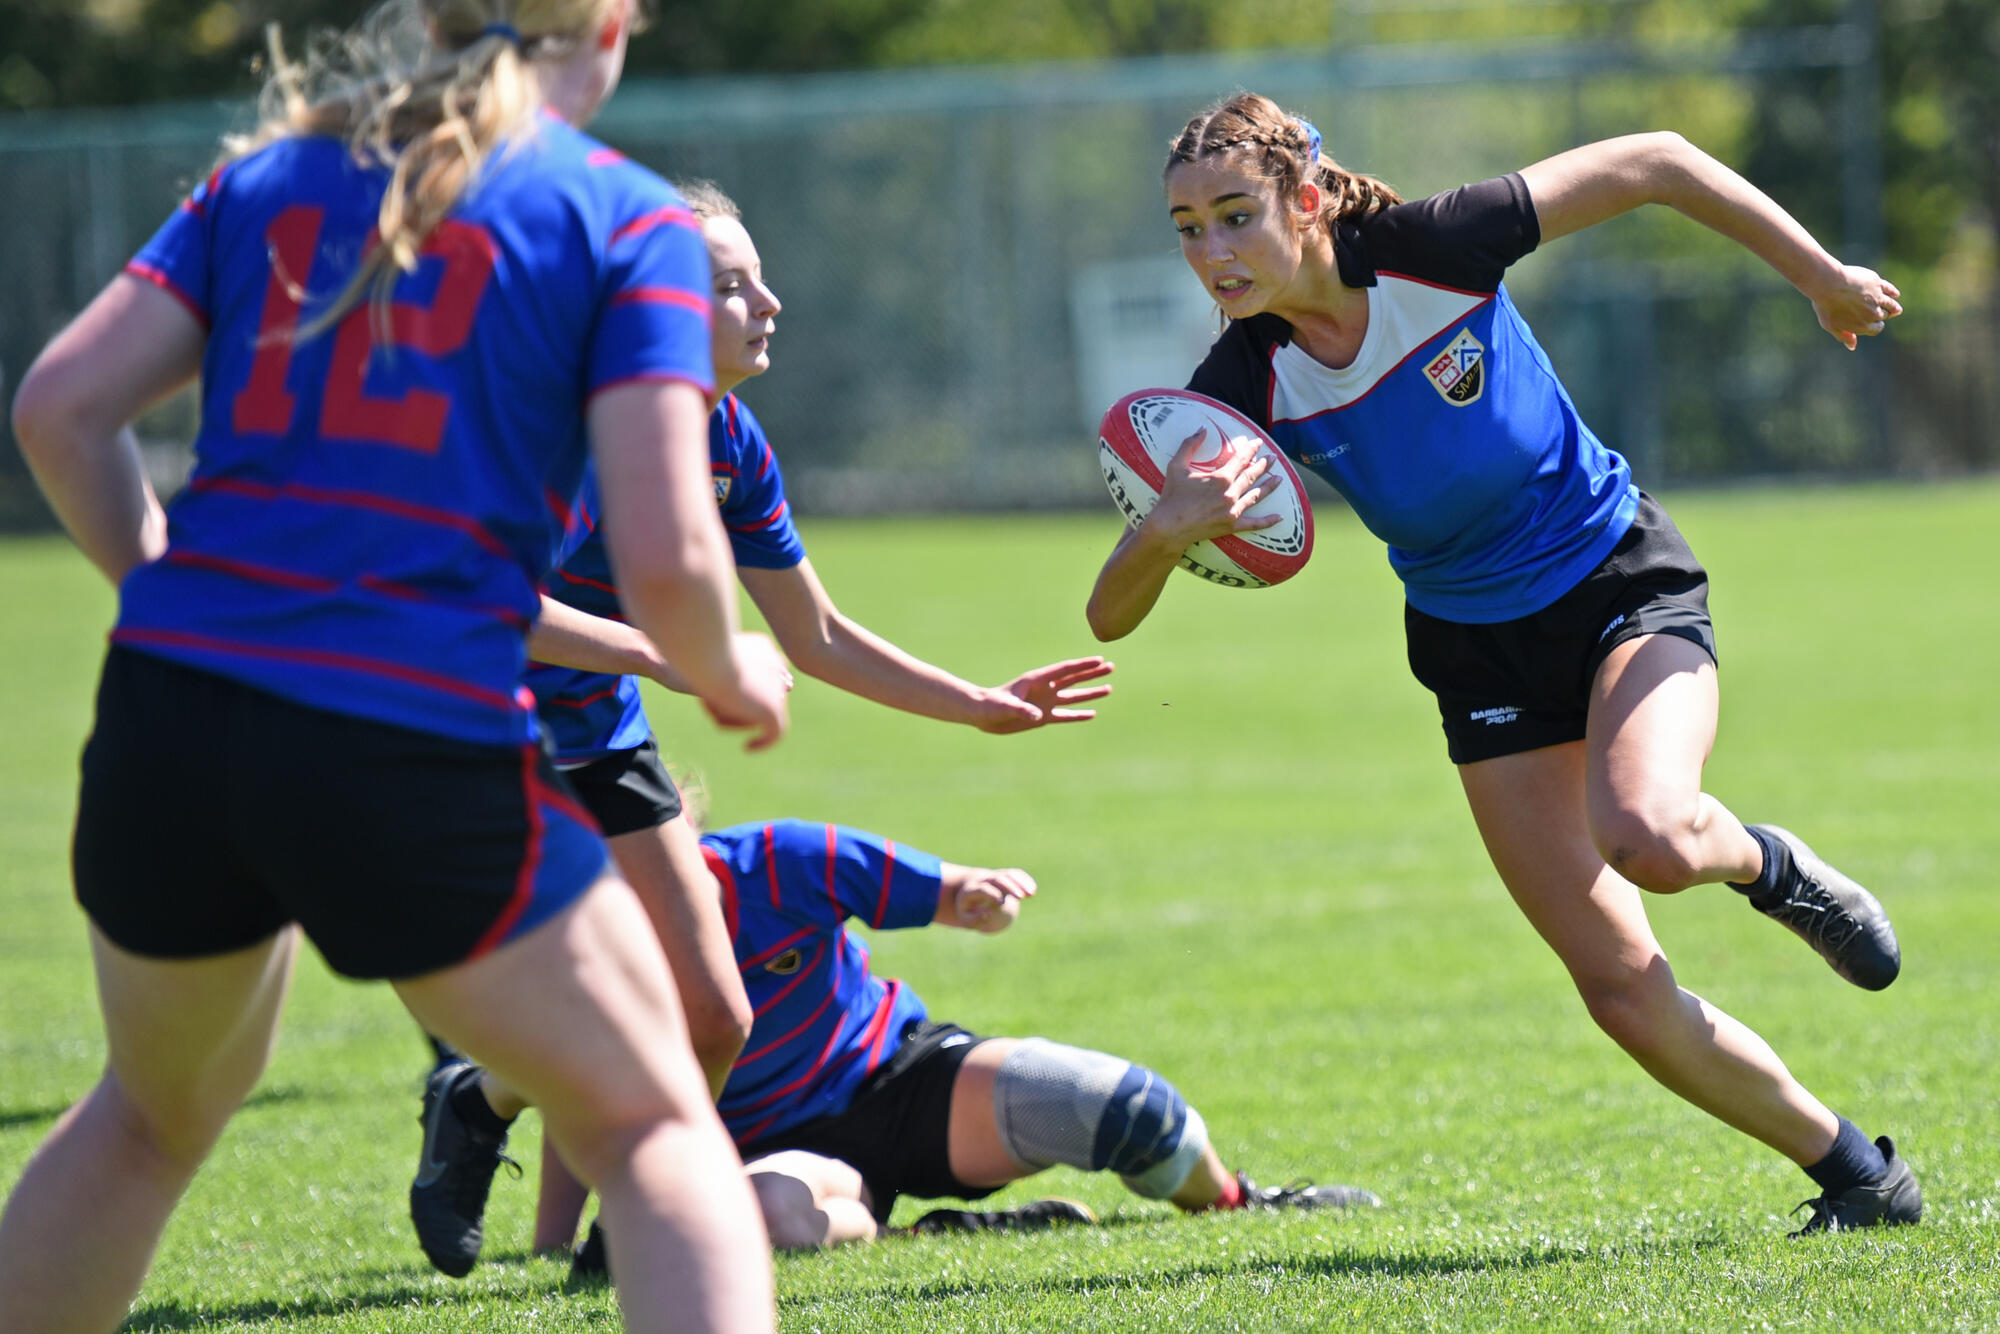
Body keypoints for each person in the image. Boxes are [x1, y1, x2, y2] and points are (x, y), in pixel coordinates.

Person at [0, 3, 790, 1330]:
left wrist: (174, 599)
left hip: (168, 716)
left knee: (146, 1121)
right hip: (401, 725)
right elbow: (663, 552)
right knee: (657, 1128)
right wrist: (728, 663)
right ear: (605, 28)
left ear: (427, 18)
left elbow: (58, 411)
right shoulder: (626, 215)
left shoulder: (270, 171)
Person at [1086, 92, 1919, 1236]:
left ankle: (1770, 865)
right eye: (1187, 229)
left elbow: (1655, 160)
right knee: (1618, 985)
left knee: (1650, 835)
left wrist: (1818, 274)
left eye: (1234, 216)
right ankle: (1856, 1173)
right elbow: (1107, 615)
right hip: (1473, 646)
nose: (1209, 252)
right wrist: (1165, 527)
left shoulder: (1434, 246)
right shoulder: (1239, 385)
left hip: (1615, 580)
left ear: (1310, 199)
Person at [410, 177, 1118, 1274]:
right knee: (612, 991)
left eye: (756, 277)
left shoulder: (728, 438)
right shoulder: (573, 438)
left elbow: (817, 632)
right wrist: (671, 654)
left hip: (597, 739)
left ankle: (511, 1123)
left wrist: (977, 703)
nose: (768, 302)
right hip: (467, 733)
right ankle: (606, 1203)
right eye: (729, 285)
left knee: (712, 1012)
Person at [574, 815, 1381, 1271]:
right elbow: (577, 1093)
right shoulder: (587, 937)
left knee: (1125, 1109)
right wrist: (553, 1243)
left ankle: (1242, 1201)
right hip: (775, 1151)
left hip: (904, 1079)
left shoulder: (779, 863)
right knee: (772, 1218)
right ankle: (919, 1234)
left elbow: (950, 891)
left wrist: (982, 896)